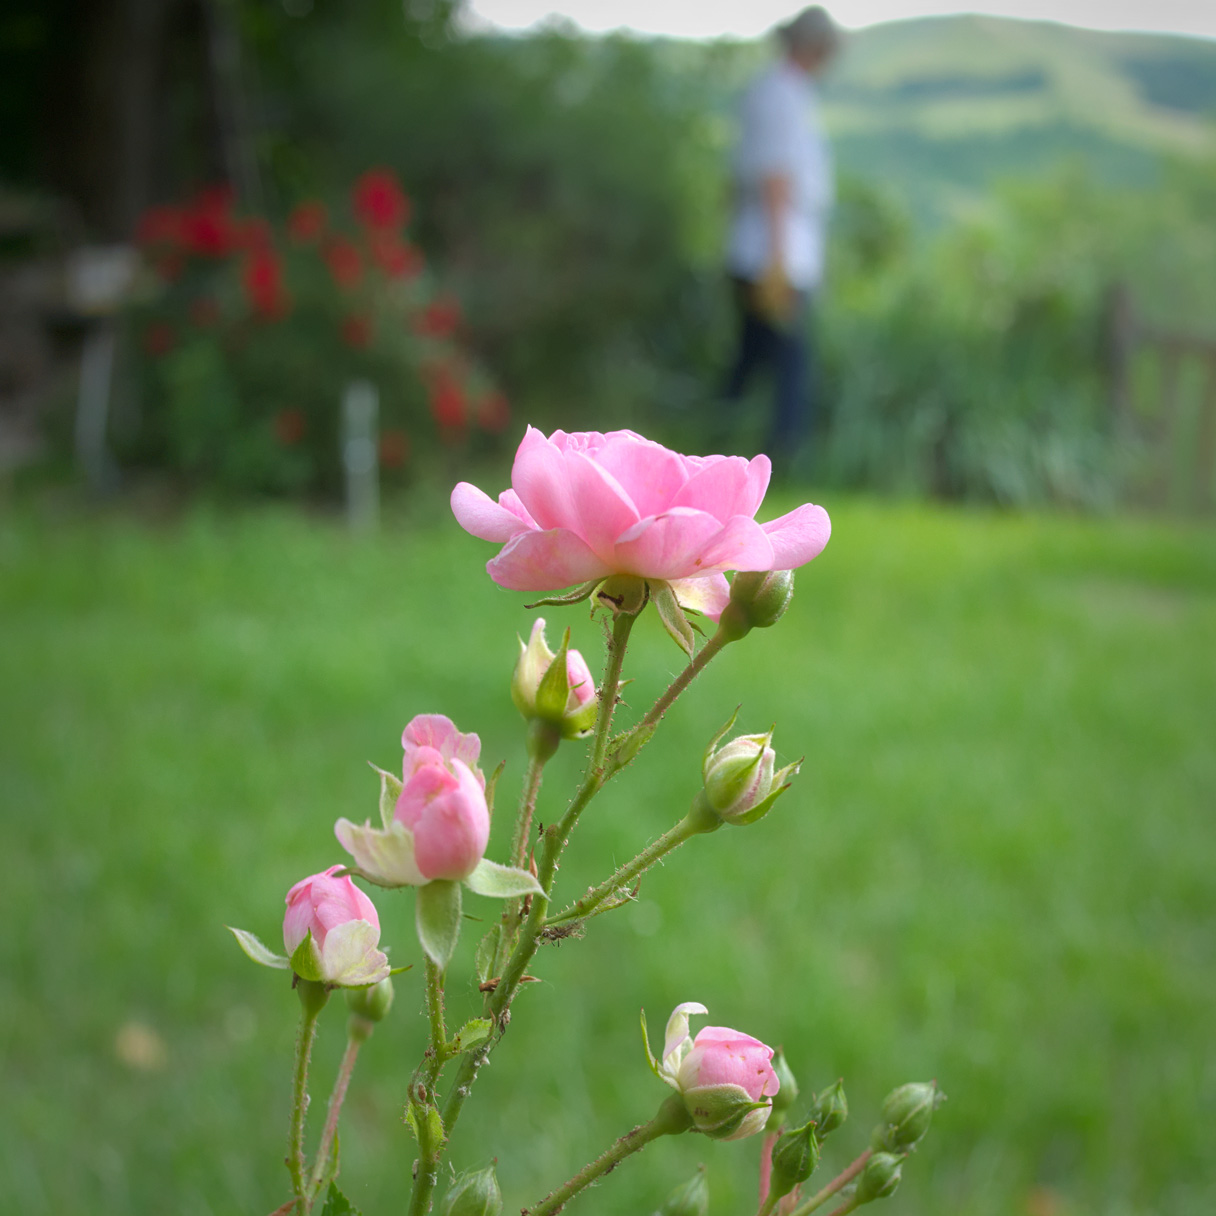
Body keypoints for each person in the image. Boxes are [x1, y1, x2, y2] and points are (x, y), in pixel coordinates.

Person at [720, 6, 840, 472]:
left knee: (751, 358)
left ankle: (719, 445)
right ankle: (783, 459)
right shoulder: (782, 95)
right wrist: (778, 260)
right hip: (774, 251)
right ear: (815, 48)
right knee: (790, 365)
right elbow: (775, 178)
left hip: (761, 246)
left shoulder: (777, 91)